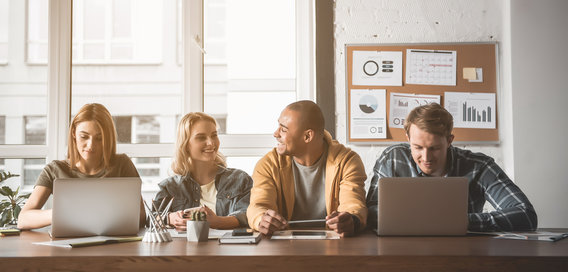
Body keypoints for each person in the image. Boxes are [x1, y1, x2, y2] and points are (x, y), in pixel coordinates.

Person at [366, 103, 537, 232]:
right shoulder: (393, 159)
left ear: (449, 140)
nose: (426, 158)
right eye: (417, 147)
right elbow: (371, 212)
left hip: (462, 255)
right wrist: (426, 220)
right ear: (408, 138)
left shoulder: (479, 166)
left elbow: (526, 215)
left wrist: (461, 221)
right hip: (402, 253)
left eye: (434, 148)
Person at [247, 100, 367, 238]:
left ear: (307, 136)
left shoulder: (348, 161)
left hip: (334, 245)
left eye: (283, 129)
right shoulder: (268, 164)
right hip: (284, 246)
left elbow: (353, 205)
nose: (276, 133)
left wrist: (351, 219)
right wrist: (261, 219)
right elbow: (257, 205)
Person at [17, 103, 145, 229]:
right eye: (84, 136)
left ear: (108, 138)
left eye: (99, 138)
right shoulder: (55, 170)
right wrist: (60, 213)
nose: (90, 145)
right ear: (73, 133)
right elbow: (23, 219)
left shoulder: (122, 164)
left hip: (113, 245)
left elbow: (141, 217)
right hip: (66, 246)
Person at [154, 112, 252, 230]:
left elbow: (250, 215)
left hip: (229, 248)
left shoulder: (240, 179)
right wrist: (170, 218)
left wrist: (218, 222)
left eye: (214, 135)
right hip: (185, 248)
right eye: (201, 137)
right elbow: (150, 218)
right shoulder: (170, 187)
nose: (211, 143)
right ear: (185, 145)